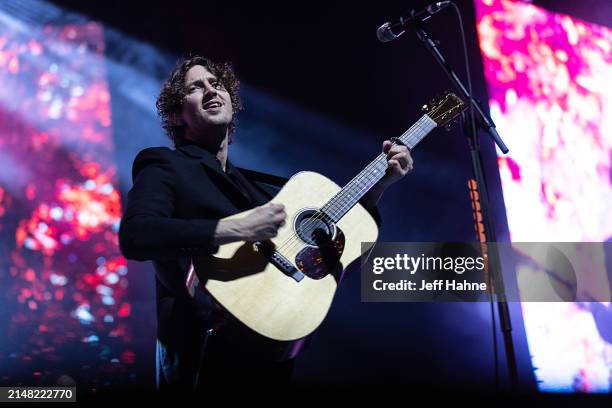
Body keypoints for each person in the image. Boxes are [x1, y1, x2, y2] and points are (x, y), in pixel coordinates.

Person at [118, 55, 413, 392]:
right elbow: (136, 235)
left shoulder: (259, 189)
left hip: (269, 352)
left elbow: (334, 246)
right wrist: (233, 229)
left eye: (217, 84)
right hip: (202, 348)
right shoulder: (164, 165)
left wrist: (379, 187)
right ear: (176, 116)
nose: (212, 91)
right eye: (196, 88)